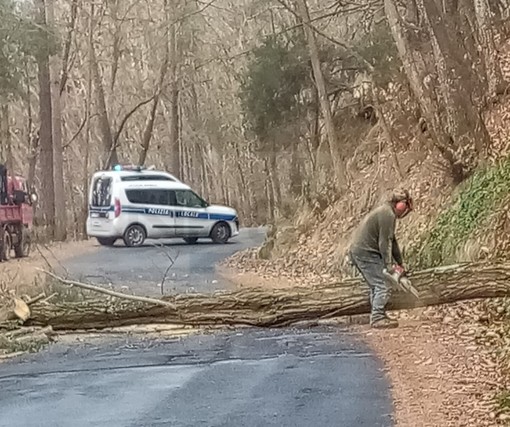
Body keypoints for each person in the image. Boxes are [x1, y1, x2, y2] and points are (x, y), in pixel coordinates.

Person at [348, 189, 413, 329]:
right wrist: (389, 266)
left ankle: (379, 314)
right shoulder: (387, 214)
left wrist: (400, 263)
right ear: (401, 204)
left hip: (362, 252)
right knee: (382, 284)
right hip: (365, 253)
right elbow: (385, 243)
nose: (406, 211)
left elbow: (392, 242)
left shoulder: (386, 212)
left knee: (375, 285)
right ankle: (377, 317)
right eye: (406, 206)